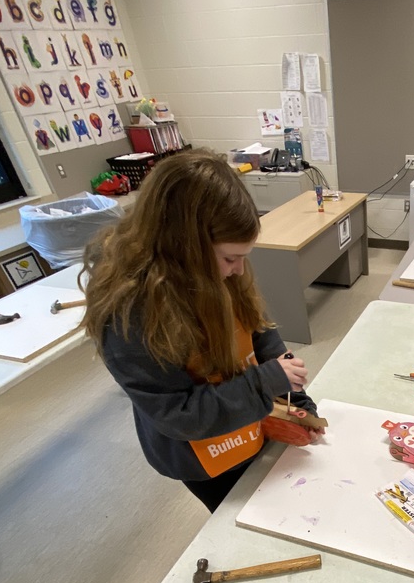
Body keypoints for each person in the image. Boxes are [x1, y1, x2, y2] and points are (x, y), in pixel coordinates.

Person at [81, 148, 323, 513]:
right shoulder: (129, 316)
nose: (240, 271)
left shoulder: (215, 271)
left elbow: (259, 332)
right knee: (239, 517)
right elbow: (181, 414)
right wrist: (266, 383)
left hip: (248, 421)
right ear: (183, 247)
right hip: (202, 458)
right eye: (230, 258)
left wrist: (295, 399)